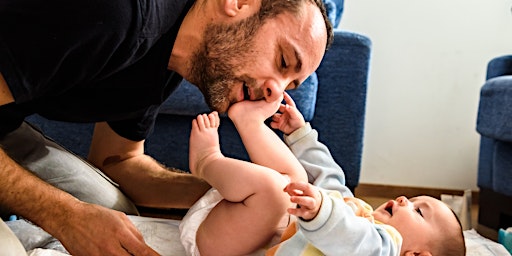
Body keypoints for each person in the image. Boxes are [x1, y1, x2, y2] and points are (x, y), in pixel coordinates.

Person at [0, 0, 333, 255]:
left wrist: (239, 194)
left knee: (116, 210)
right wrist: (64, 215)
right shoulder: (117, 15)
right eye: (283, 61)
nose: (277, 92)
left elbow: (118, 162)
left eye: (290, 86)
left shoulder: (172, 56)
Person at [180, 92, 466, 255]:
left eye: (419, 211)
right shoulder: (358, 214)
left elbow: (351, 240)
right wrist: (300, 134)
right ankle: (250, 122)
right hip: (245, 227)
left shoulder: (380, 250)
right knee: (295, 182)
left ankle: (206, 161)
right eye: (415, 199)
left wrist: (321, 212)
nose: (405, 200)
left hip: (223, 246)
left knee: (276, 191)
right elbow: (330, 176)